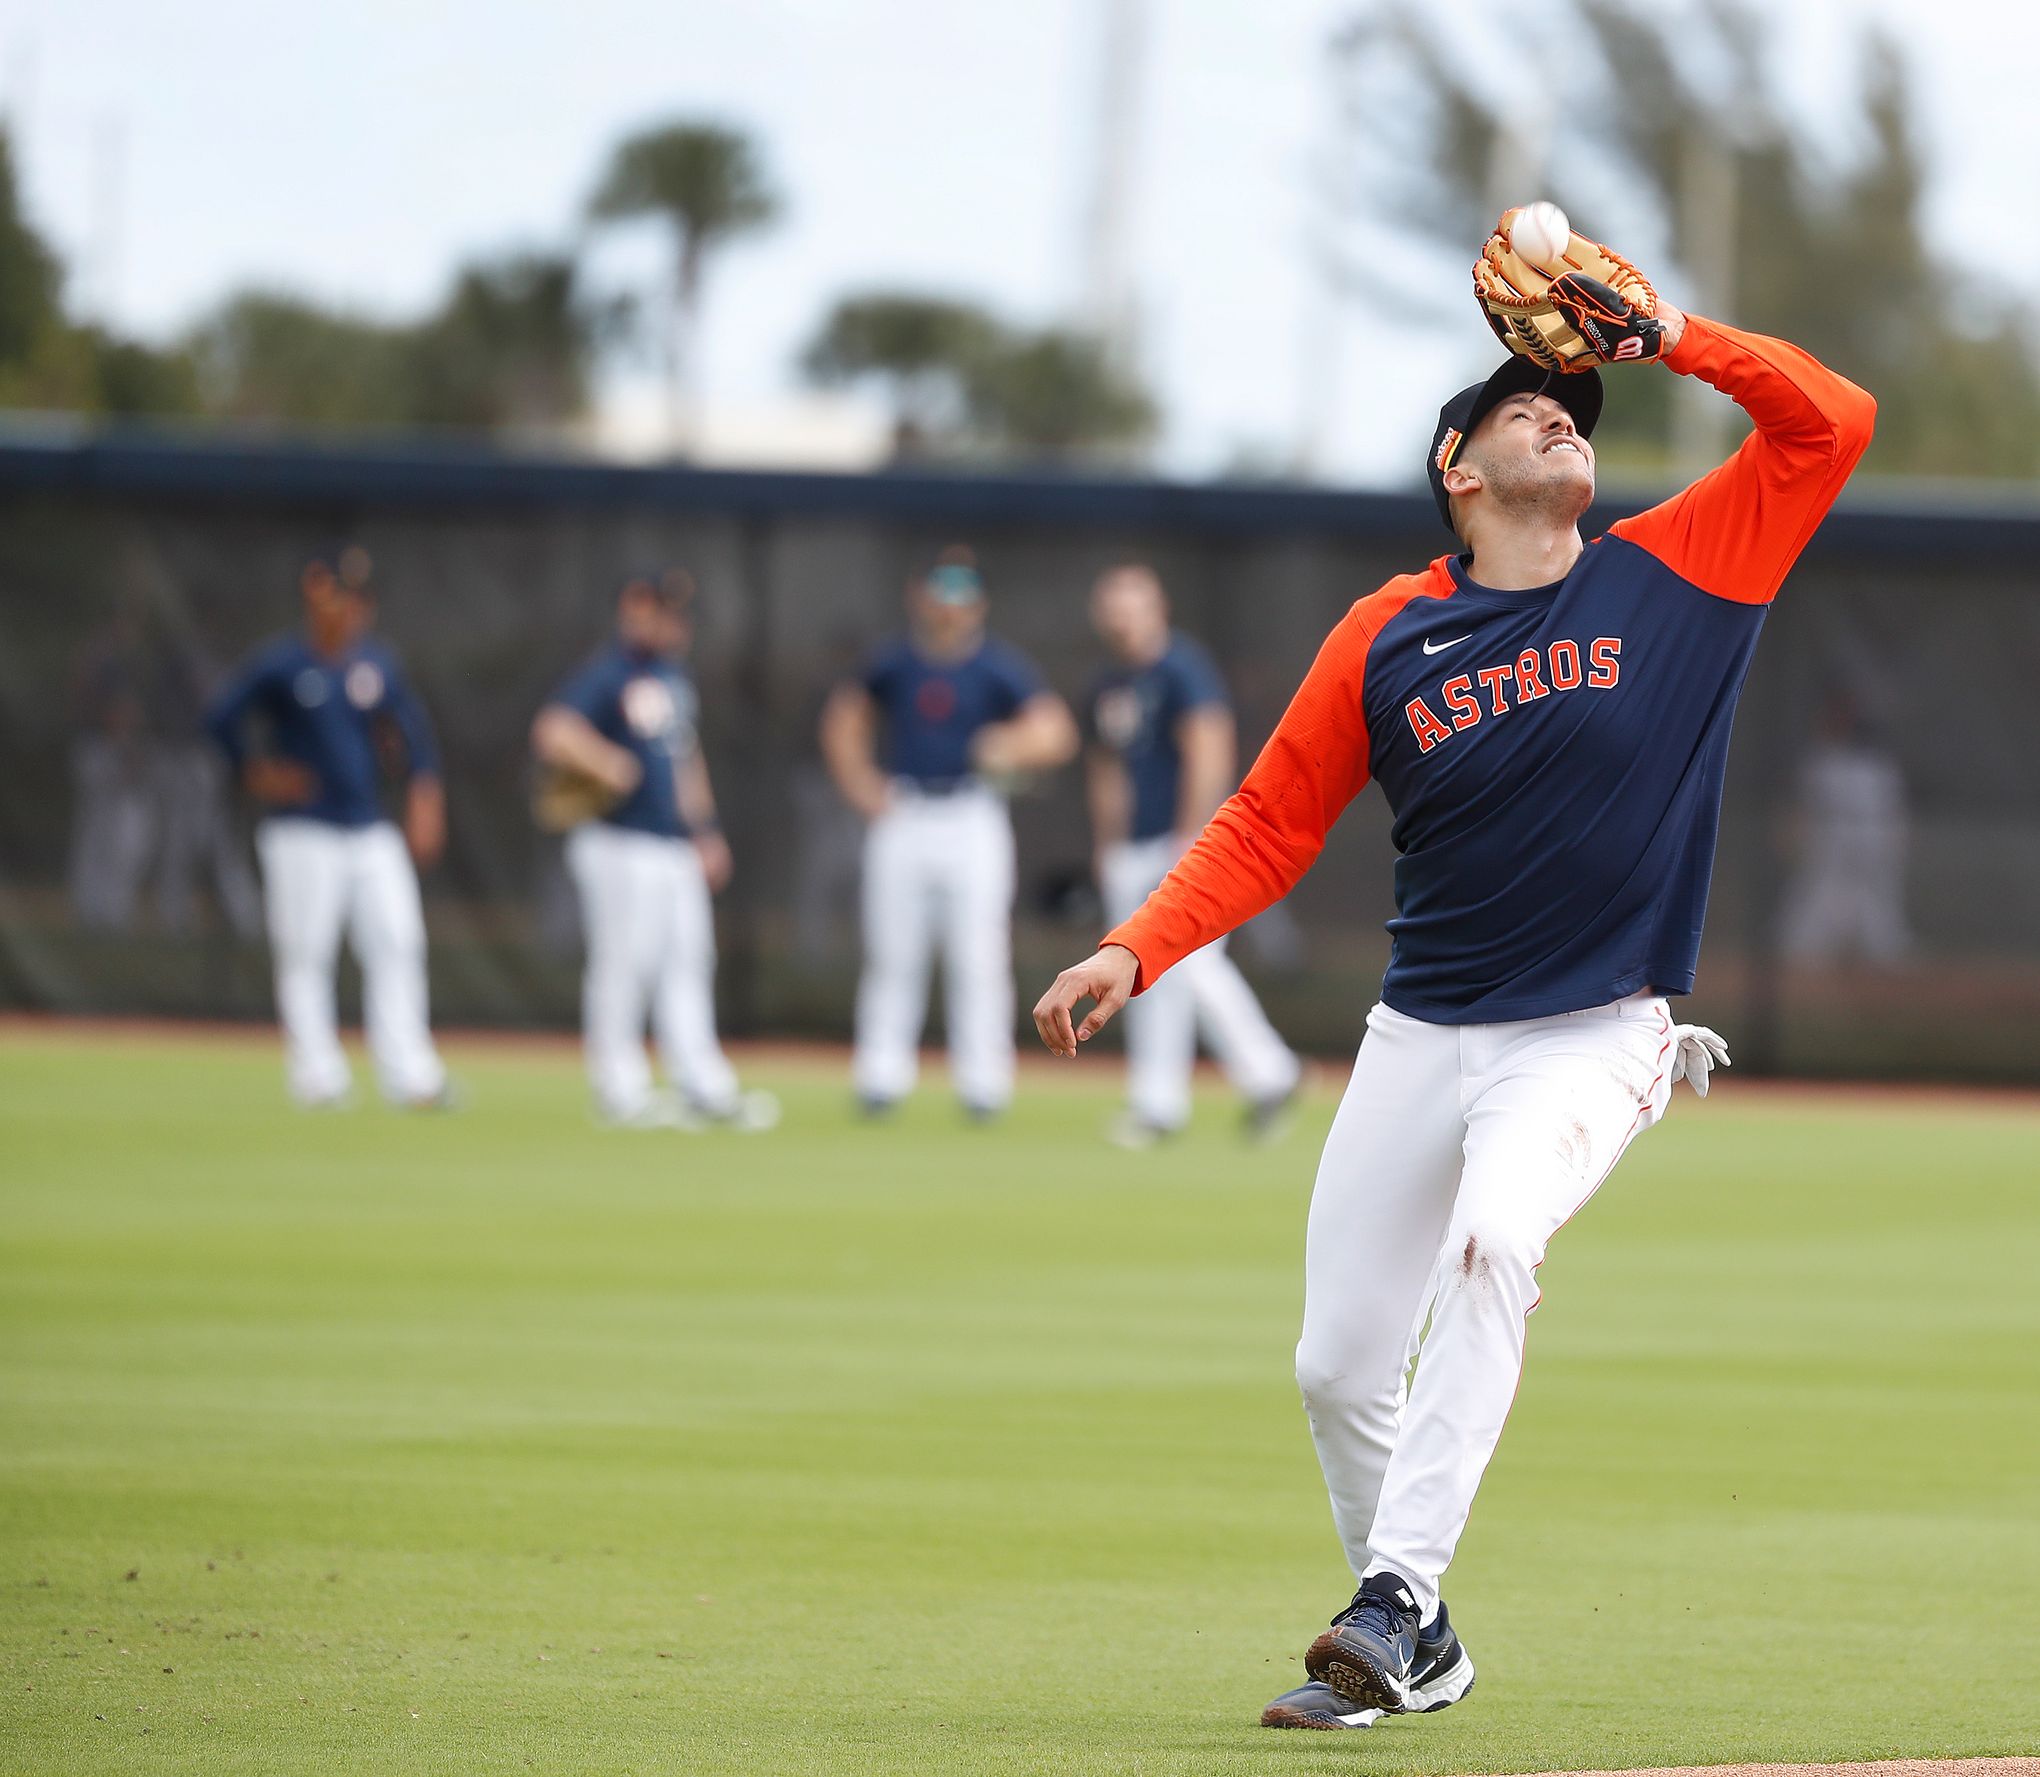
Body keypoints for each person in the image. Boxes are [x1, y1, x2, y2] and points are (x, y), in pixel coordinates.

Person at [1033, 271, 1874, 1726]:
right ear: (1458, 470)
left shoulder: (1678, 570)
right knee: (1337, 1364)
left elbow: (1832, 424)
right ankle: (1413, 1635)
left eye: (1570, 405)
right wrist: (1134, 946)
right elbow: (1265, 822)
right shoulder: (1386, 634)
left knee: (1493, 1245)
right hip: (1422, 1033)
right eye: (1515, 409)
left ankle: (1398, 1599)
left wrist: (1672, 334)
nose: (1555, 412)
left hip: (1596, 1030)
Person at [821, 550, 1078, 1120]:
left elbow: (1056, 732)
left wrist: (1007, 744)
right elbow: (844, 718)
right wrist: (862, 786)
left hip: (971, 814)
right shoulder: (893, 661)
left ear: (978, 603)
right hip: (905, 811)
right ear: (920, 596)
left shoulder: (997, 667)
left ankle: (983, 1082)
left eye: (962, 595)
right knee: (894, 950)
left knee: (978, 953)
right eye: (941, 592)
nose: (950, 607)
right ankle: (881, 1076)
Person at [206, 545, 450, 1108]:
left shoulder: (375, 665)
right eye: (340, 596)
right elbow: (220, 718)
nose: (351, 609)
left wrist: (423, 793)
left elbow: (413, 737)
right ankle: (317, 1075)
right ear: (315, 599)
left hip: (368, 827)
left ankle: (410, 1073)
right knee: (307, 951)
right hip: (302, 830)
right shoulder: (284, 664)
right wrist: (255, 771)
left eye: (360, 598)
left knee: (397, 942)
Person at [531, 568, 774, 1131]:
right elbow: (554, 730)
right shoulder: (609, 672)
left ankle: (701, 1083)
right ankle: (619, 1087)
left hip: (670, 845)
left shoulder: (671, 677)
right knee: (626, 963)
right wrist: (606, 762)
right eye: (665, 611)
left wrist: (706, 830)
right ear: (635, 607)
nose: (676, 623)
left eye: (679, 613)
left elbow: (685, 759)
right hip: (618, 841)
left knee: (688, 962)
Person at [1085, 563, 1301, 1145]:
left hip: (1181, 843)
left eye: (1132, 601)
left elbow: (1208, 747)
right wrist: (1108, 844)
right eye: (1112, 603)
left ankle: (1233, 1083)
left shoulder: (1181, 667)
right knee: (1151, 971)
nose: (1121, 615)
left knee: (1181, 965)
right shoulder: (1111, 682)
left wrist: (1191, 837)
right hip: (1133, 847)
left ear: (1157, 606)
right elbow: (1107, 768)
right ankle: (1239, 1081)